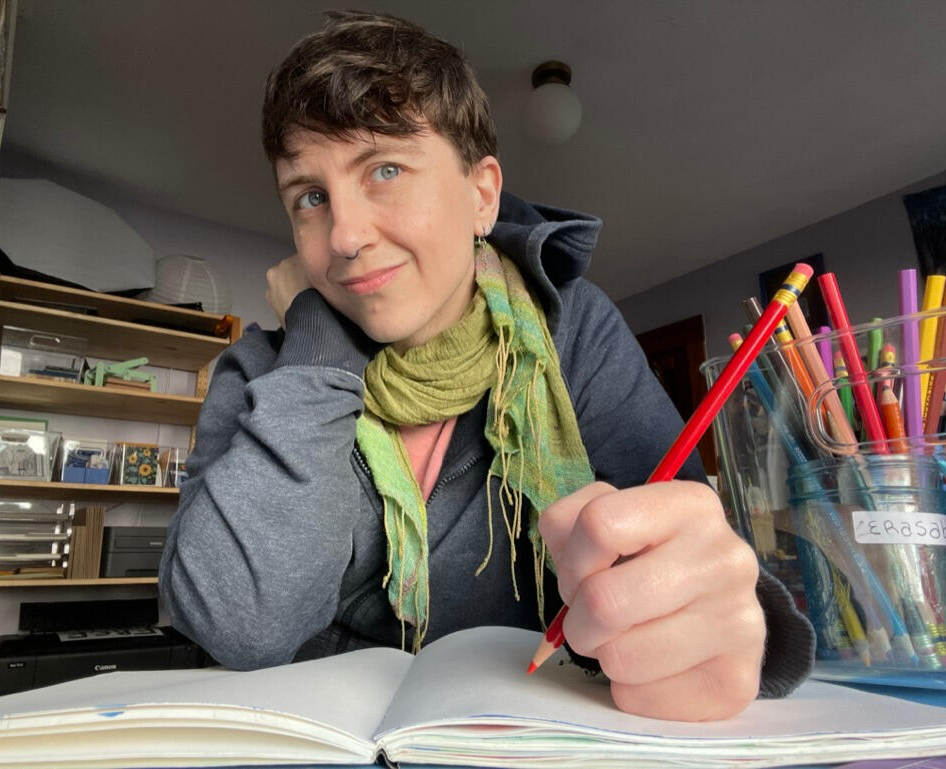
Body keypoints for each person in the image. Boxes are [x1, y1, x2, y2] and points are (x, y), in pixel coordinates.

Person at [159, 10, 815, 722]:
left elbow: (685, 563)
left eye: (384, 169)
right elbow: (235, 620)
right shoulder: (260, 369)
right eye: (310, 198)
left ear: (482, 195)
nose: (343, 237)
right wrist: (316, 335)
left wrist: (724, 621)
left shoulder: (573, 330)